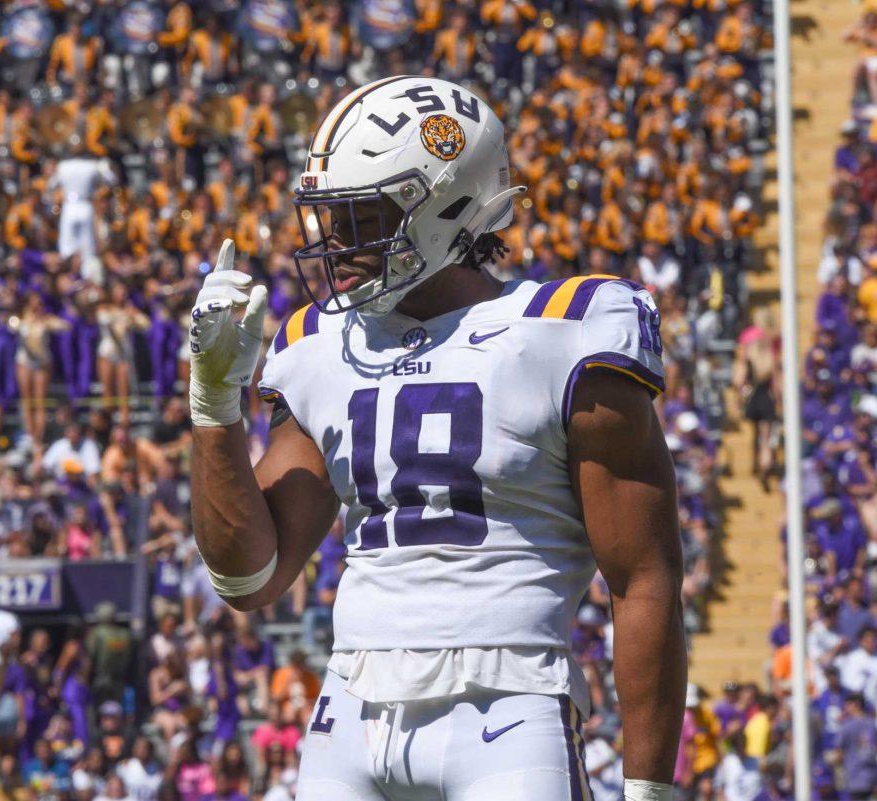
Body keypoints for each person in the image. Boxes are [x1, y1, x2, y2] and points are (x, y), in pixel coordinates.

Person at [189, 77, 686, 800]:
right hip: (348, 714)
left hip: (509, 707)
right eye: (330, 216)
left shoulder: (564, 330)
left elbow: (644, 576)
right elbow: (247, 578)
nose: (333, 241)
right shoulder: (322, 343)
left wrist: (649, 790)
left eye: (360, 216)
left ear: (444, 209)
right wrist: (213, 403)